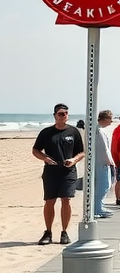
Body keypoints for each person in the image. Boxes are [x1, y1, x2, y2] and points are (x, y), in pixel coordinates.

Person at [32, 103, 84, 245]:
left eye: (66, 113)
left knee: (66, 199)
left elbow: (82, 152)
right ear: (55, 115)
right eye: (61, 113)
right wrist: (45, 158)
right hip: (51, 172)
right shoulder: (46, 133)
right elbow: (35, 150)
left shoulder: (73, 132)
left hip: (68, 172)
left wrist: (73, 160)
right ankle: (48, 232)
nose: (64, 116)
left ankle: (64, 232)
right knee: (50, 201)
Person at [93, 110, 115, 219]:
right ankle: (97, 208)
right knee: (103, 185)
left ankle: (99, 206)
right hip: (101, 162)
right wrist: (109, 160)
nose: (111, 121)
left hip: (102, 162)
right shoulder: (98, 131)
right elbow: (104, 148)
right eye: (110, 119)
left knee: (105, 185)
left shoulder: (100, 130)